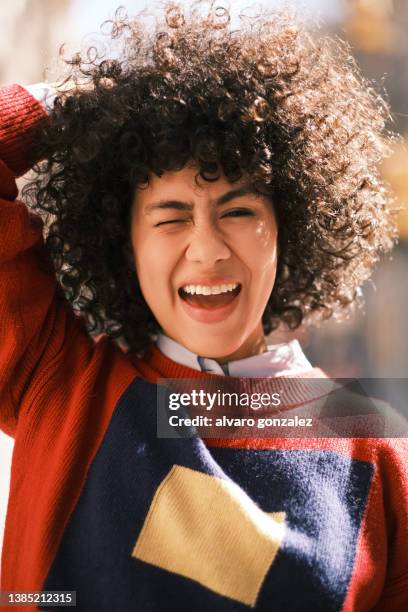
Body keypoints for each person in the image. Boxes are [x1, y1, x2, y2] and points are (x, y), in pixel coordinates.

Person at [0, 2, 406, 610]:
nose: (208, 248)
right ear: (123, 241)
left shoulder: (378, 450)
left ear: (290, 228)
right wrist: (79, 110)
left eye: (239, 211)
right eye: (170, 217)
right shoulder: (59, 380)